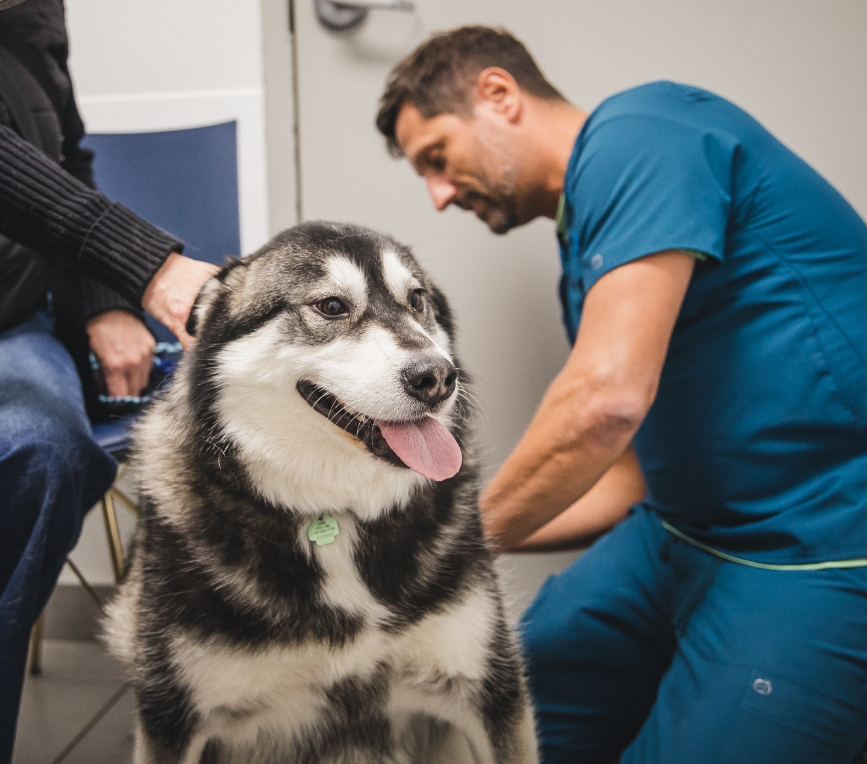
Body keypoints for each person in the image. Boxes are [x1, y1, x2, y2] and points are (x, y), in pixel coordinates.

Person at [376, 25, 867, 764]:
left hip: (813, 546)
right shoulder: (588, 241)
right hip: (673, 531)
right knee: (495, 698)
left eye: (437, 158)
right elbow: (631, 473)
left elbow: (603, 404)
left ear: (498, 95)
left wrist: (445, 545)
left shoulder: (642, 132)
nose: (439, 196)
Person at [0, 1, 218, 760]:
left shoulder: (33, 19)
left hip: (13, 321)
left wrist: (105, 302)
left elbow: (63, 161)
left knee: (45, 450)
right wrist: (145, 267)